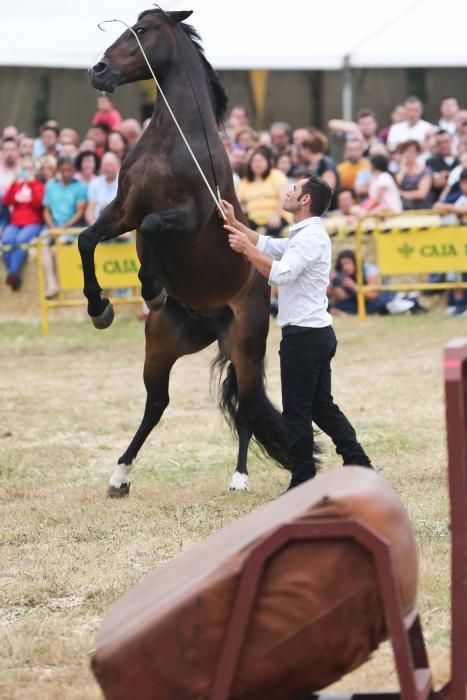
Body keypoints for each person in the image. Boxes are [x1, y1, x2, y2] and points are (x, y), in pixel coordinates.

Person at [221, 175, 373, 490]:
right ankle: (358, 461)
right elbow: (268, 245)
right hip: (313, 335)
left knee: (297, 412)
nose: (287, 193)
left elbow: (280, 274)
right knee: (320, 406)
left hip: (304, 338)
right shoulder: (304, 234)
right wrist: (237, 224)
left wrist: (247, 251)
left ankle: (303, 480)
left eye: (293, 189)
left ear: (305, 200)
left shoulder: (310, 238)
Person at [41, 156, 87, 298]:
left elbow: (80, 211)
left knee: (60, 245)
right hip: (53, 226)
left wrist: (64, 228)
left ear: (74, 170)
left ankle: (65, 287)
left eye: (69, 170)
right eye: (63, 170)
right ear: (59, 171)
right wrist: (53, 227)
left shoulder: (80, 186)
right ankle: (52, 284)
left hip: (71, 226)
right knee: (43, 246)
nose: (66, 173)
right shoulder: (50, 185)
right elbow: (46, 211)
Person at [327, 250, 416, 316]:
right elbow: (338, 298)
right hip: (357, 301)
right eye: (342, 265)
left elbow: (373, 295)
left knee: (380, 303)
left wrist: (354, 286)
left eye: (347, 263)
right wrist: (333, 283)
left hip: (376, 298)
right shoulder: (341, 274)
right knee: (340, 305)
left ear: (355, 262)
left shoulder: (369, 270)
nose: (345, 267)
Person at [1, 157, 45, 290]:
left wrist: (32, 184)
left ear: (34, 170)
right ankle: (13, 274)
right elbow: (6, 201)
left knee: (21, 241)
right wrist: (13, 182)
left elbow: (39, 204)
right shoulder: (17, 186)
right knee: (7, 241)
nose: (26, 172)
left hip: (33, 222)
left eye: (29, 169)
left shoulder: (39, 185)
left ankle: (12, 273)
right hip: (15, 223)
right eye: (23, 169)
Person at [237, 148, 290, 236]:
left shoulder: (276, 175)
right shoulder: (246, 181)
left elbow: (284, 197)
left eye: (261, 161)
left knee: (269, 233)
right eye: (254, 161)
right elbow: (238, 200)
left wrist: (276, 216)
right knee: (242, 232)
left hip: (277, 217)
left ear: (267, 162)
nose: (257, 164)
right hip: (254, 219)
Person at [395, 140, 432, 210]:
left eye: (411, 152)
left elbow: (421, 194)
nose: (407, 155)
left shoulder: (425, 171)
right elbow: (395, 187)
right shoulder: (400, 171)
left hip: (420, 208)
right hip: (402, 207)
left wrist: (402, 194)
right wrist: (403, 171)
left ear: (417, 153)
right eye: (405, 152)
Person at [85, 152, 120, 224]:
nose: (109, 168)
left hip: (117, 225)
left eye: (112, 165)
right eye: (106, 165)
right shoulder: (95, 183)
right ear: (101, 167)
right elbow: (89, 210)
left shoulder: (123, 183)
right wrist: (93, 226)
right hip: (97, 224)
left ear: (118, 166)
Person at [425, 130, 458, 203]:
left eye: (446, 142)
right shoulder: (431, 162)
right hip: (439, 203)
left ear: (451, 141)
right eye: (440, 143)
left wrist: (447, 175)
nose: (443, 145)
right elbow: (437, 183)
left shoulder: (459, 160)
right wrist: (456, 176)